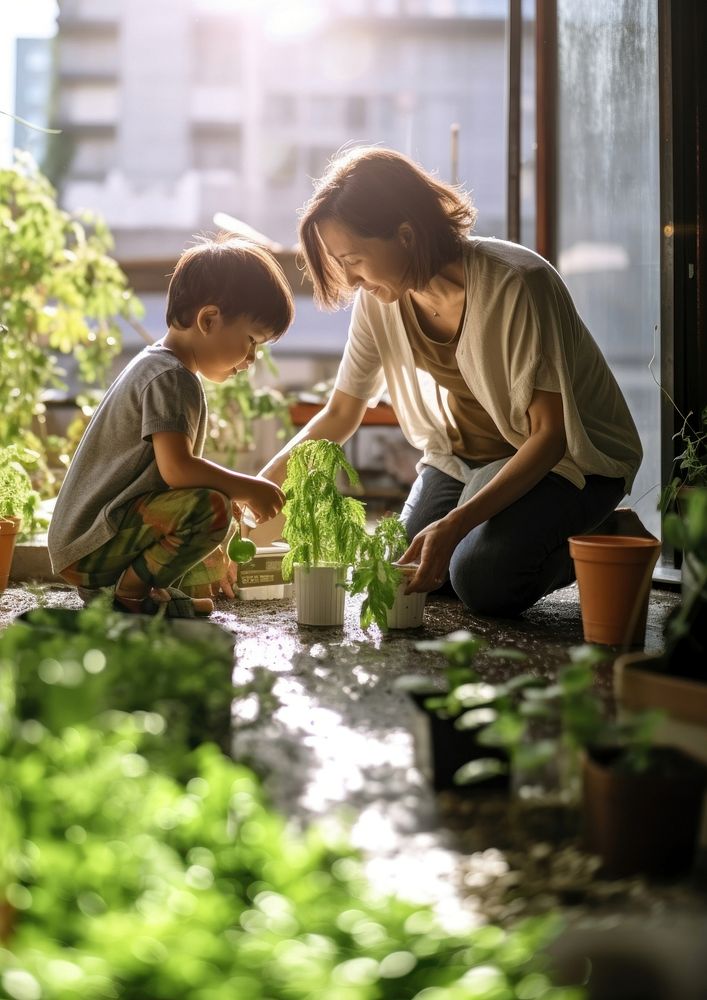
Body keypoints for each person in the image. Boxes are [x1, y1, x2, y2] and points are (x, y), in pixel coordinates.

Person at [260, 146, 644, 617]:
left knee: (482, 580)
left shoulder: (516, 284)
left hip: (568, 464)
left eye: (354, 259)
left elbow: (549, 438)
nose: (351, 280)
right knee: (412, 573)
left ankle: (609, 537)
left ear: (405, 234)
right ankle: (491, 526)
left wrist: (457, 523)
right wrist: (259, 485)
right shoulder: (380, 303)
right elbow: (342, 412)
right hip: (460, 460)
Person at [49, 235, 294, 618]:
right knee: (212, 507)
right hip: (93, 543)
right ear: (209, 320)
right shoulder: (170, 377)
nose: (251, 359)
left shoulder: (162, 367)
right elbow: (177, 470)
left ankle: (138, 594)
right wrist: (248, 487)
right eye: (251, 341)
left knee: (213, 526)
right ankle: (130, 596)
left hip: (94, 538)